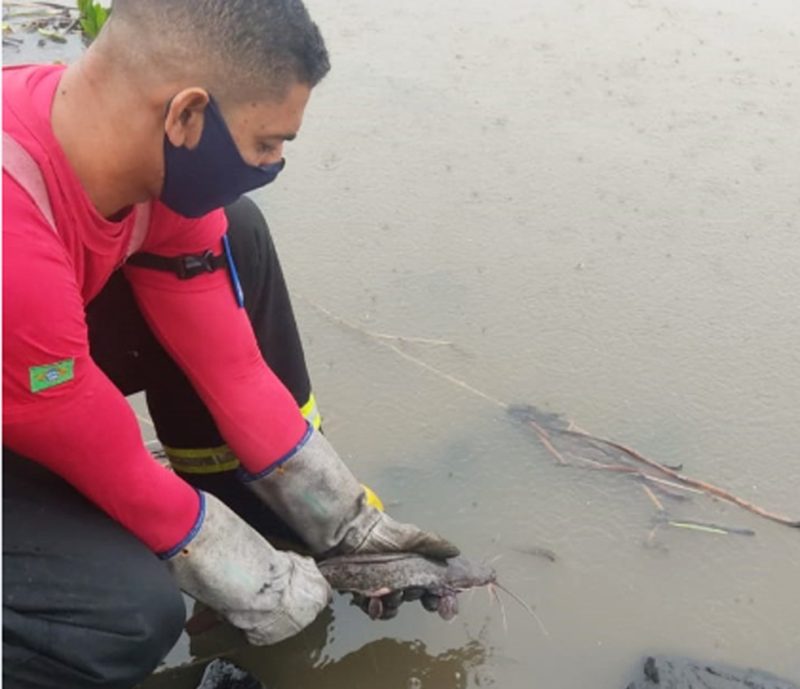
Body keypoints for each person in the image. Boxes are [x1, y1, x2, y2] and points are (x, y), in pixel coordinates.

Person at [1, 1, 460, 687]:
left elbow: (234, 369)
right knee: (126, 615)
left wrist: (345, 523)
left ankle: (247, 506)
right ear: (187, 115)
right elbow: (101, 449)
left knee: (235, 232)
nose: (274, 163)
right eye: (267, 143)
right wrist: (245, 577)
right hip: (24, 360)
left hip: (27, 366)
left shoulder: (125, 155)